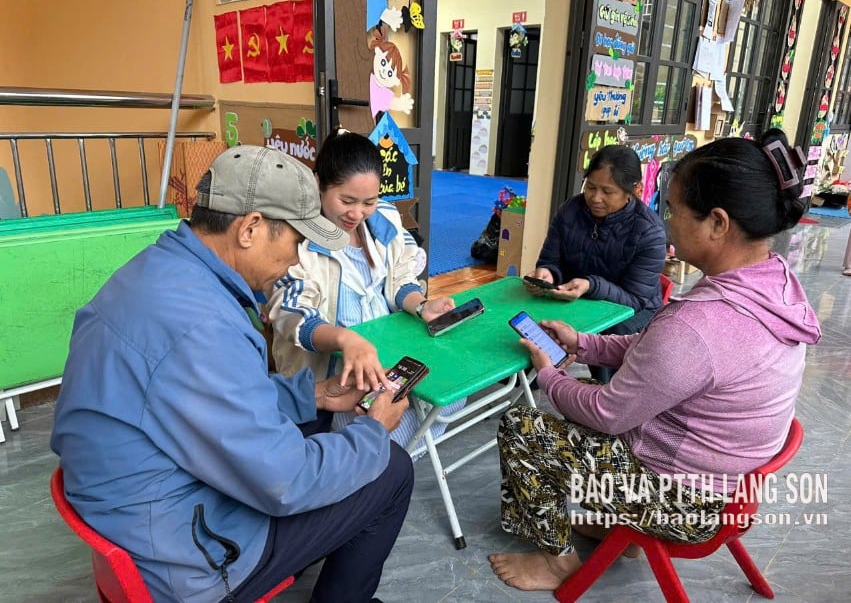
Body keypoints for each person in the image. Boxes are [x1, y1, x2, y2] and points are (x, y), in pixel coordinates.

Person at [51, 146, 414, 603]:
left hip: (133, 503)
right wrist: (374, 430)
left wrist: (316, 394)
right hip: (182, 557)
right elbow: (286, 482)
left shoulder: (154, 273)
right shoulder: (206, 327)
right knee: (389, 468)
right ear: (250, 229)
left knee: (314, 424)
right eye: (297, 243)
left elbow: (206, 396)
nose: (296, 259)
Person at [489, 129, 821, 592]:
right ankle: (618, 529)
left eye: (675, 211)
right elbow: (656, 348)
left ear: (718, 223)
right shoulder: (773, 284)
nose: (668, 223)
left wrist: (548, 373)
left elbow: (608, 413)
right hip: (729, 487)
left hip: (683, 503)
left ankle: (556, 560)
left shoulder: (699, 324)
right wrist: (582, 343)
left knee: (525, 427)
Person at [268, 130, 465, 451]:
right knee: (393, 435)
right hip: (337, 381)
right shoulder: (298, 241)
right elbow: (293, 314)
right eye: (346, 201)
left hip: (387, 359)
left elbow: (400, 278)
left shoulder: (384, 220)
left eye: (368, 202)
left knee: (450, 397)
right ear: (319, 184)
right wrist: (347, 341)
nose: (357, 213)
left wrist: (420, 305)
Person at [525, 144, 667, 382]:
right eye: (590, 187)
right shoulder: (570, 210)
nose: (595, 198)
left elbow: (635, 299)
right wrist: (547, 275)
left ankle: (604, 398)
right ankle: (534, 381)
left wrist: (591, 286)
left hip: (632, 310)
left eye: (607, 191)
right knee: (534, 323)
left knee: (612, 334)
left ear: (634, 190)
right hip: (575, 300)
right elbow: (550, 259)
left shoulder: (649, 232)